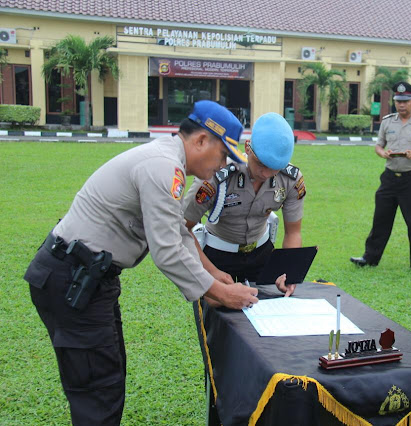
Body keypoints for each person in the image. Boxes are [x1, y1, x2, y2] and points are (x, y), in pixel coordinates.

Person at [23, 100, 259, 425]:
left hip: (87, 279)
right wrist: (219, 292)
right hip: (73, 280)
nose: (222, 166)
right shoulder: (163, 167)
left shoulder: (166, 161)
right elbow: (166, 251)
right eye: (222, 155)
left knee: (109, 377)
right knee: (98, 392)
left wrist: (215, 273)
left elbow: (178, 232)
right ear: (201, 140)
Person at [184, 112, 305, 297]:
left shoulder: (290, 179)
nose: (266, 174)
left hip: (262, 255)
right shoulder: (216, 177)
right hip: (217, 256)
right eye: (260, 164)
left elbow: (293, 232)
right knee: (218, 319)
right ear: (248, 148)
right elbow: (183, 229)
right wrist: (211, 272)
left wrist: (287, 271)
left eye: (275, 168)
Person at [350, 81, 411, 275]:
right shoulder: (388, 121)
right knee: (380, 219)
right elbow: (378, 146)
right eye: (398, 101)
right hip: (389, 178)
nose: (401, 105)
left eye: (405, 101)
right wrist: (382, 153)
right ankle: (369, 258)